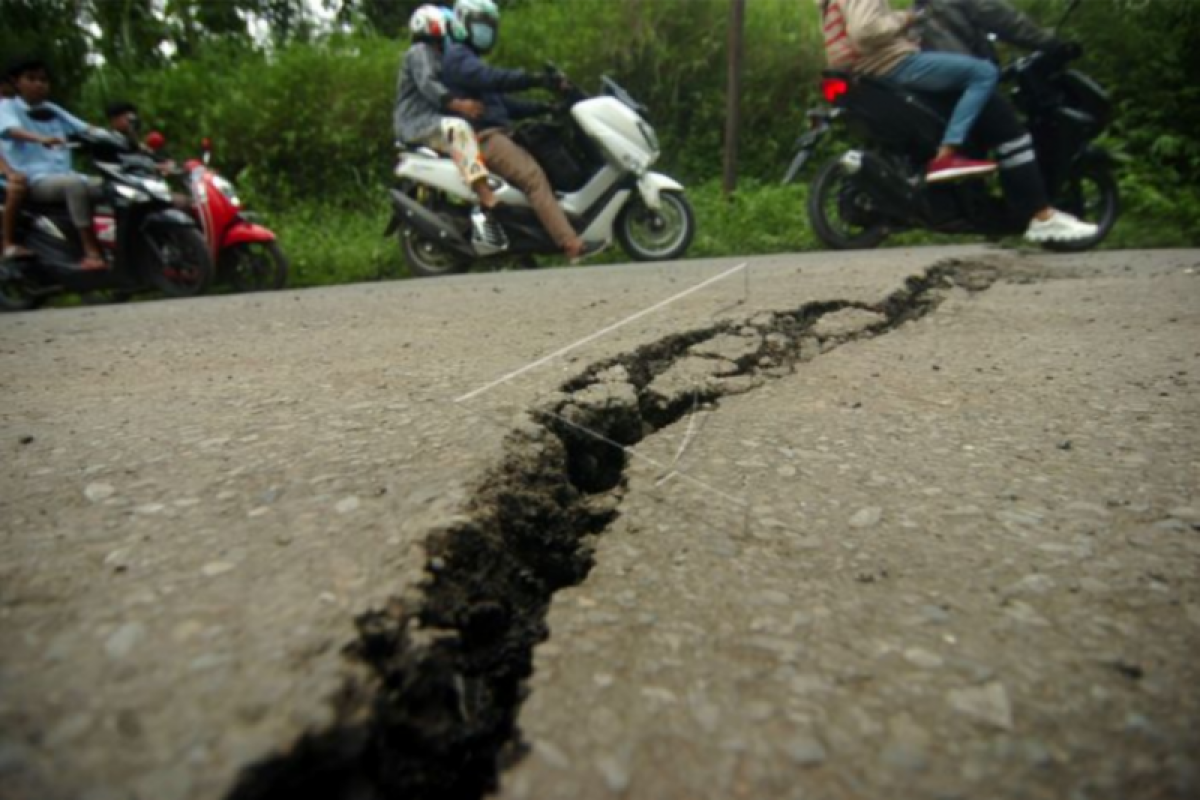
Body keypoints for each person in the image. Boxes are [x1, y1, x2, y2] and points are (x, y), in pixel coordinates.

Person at [915, 0, 1098, 243]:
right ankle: (1041, 216)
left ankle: (981, 213)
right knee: (1014, 139)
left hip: (928, 78)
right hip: (962, 75)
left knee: (975, 141)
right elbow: (1002, 18)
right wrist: (1051, 43)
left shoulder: (920, 8)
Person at [442, 0, 604, 262]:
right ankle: (571, 243)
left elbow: (505, 103)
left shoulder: (469, 60)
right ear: (463, 23)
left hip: (500, 133)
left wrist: (545, 107)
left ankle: (527, 241)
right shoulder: (459, 58)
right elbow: (495, 79)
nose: (487, 31)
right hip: (485, 138)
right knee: (533, 177)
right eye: (481, 25)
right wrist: (535, 79)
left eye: (489, 26)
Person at [819, 0, 1000, 182]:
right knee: (983, 72)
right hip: (892, 64)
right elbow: (866, 31)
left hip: (865, 75)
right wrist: (905, 18)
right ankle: (948, 154)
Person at [395, 4, 508, 252]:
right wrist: (460, 105)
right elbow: (428, 85)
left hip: (429, 119)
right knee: (458, 128)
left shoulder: (437, 54)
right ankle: (485, 193)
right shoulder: (419, 52)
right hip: (417, 122)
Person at [0, 56, 106, 270]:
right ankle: (91, 252)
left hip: (65, 174)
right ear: (17, 83)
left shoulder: (52, 109)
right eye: (32, 79)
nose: (39, 84)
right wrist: (40, 138)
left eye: (43, 80)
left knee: (111, 188)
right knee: (74, 186)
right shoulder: (7, 107)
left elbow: (86, 128)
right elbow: (11, 130)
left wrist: (116, 139)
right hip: (34, 179)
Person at [0, 73, 31, 260]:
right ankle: (7, 244)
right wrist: (8, 171)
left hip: (22, 168)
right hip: (7, 172)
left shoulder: (14, 110)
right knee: (15, 190)